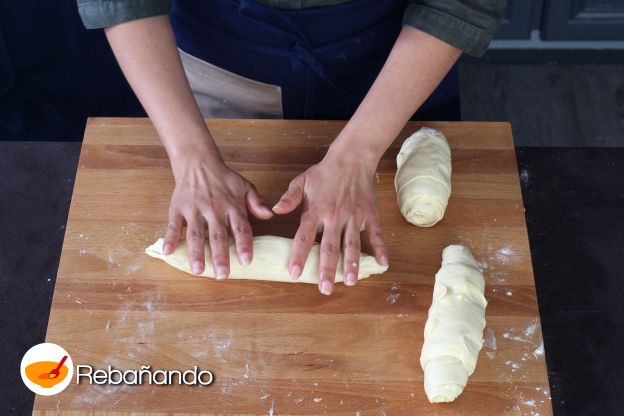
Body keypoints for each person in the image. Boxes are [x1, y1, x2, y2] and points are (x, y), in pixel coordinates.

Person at [78, 0, 505, 295]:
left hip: (399, 66)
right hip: (221, 65)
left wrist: (358, 155)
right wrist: (192, 160)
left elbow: (459, 5)